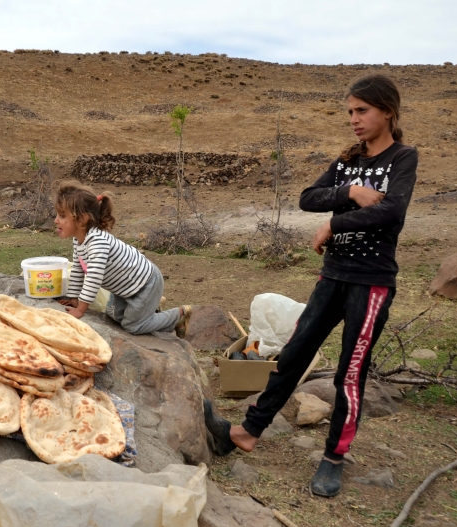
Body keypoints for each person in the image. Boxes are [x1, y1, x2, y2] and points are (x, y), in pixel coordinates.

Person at [204, 74, 419, 497]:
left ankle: (333, 459)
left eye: (362, 111)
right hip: (333, 276)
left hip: (371, 283)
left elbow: (392, 212)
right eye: (350, 112)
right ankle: (248, 432)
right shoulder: (349, 163)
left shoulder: (401, 158)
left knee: (350, 374)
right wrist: (352, 191)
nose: (354, 120)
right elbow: (308, 196)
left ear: (387, 112)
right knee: (294, 354)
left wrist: (335, 223)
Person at [53, 179, 192, 337]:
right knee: (113, 316)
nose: (56, 220)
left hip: (145, 285)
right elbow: (78, 268)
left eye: (62, 216)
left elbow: (93, 278)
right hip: (124, 290)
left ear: (82, 219)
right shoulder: (79, 239)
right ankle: (151, 308)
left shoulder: (98, 243)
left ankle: (178, 316)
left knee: (132, 326)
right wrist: (73, 297)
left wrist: (80, 310)